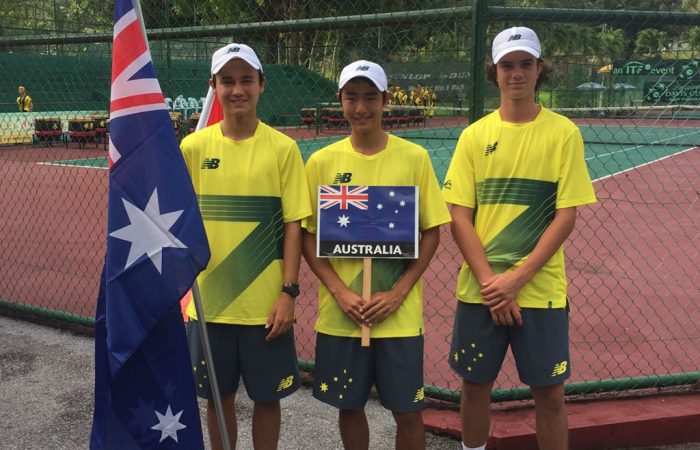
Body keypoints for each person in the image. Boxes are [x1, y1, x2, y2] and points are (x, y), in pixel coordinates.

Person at [442, 26, 596, 450]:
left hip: (540, 291)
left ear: (539, 69)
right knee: (475, 387)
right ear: (494, 73)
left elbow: (566, 217)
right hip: (481, 291)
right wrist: (494, 282)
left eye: (525, 64)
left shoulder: (563, 133)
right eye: (507, 65)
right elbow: (459, 215)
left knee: (549, 395)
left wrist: (517, 279)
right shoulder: (473, 136)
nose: (516, 74)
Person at [301, 60, 451, 450]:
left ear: (386, 100)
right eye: (352, 97)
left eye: (370, 97)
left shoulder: (414, 158)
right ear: (340, 100)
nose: (361, 107)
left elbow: (431, 231)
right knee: (349, 406)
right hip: (341, 314)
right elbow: (309, 238)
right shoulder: (321, 163)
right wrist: (340, 292)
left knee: (407, 411)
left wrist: (399, 292)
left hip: (397, 317)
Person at [180, 43, 311, 450]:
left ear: (261, 85)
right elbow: (177, 226)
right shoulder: (192, 148)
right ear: (214, 87)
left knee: (267, 399)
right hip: (209, 305)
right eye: (228, 81)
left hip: (265, 307)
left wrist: (288, 293)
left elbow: (294, 225)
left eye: (246, 80)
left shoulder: (283, 149)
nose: (238, 90)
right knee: (219, 400)